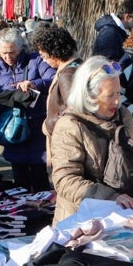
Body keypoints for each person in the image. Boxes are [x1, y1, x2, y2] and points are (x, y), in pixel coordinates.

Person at [49, 56, 133, 223]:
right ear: (90, 95)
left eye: (118, 93)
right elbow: (64, 179)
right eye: (110, 95)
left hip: (124, 214)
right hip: (82, 220)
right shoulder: (70, 125)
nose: (117, 101)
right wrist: (109, 197)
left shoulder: (123, 115)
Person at [0, 28, 53, 191]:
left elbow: (53, 78)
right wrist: (5, 99)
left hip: (37, 130)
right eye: (4, 53)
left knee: (40, 181)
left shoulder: (36, 61)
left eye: (12, 52)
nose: (8, 57)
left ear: (21, 48)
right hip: (12, 132)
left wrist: (35, 84)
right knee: (19, 184)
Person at [32, 23, 82, 165]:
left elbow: (73, 111)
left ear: (54, 52)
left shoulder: (68, 75)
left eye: (43, 55)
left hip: (67, 144)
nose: (43, 59)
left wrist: (48, 124)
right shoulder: (78, 66)